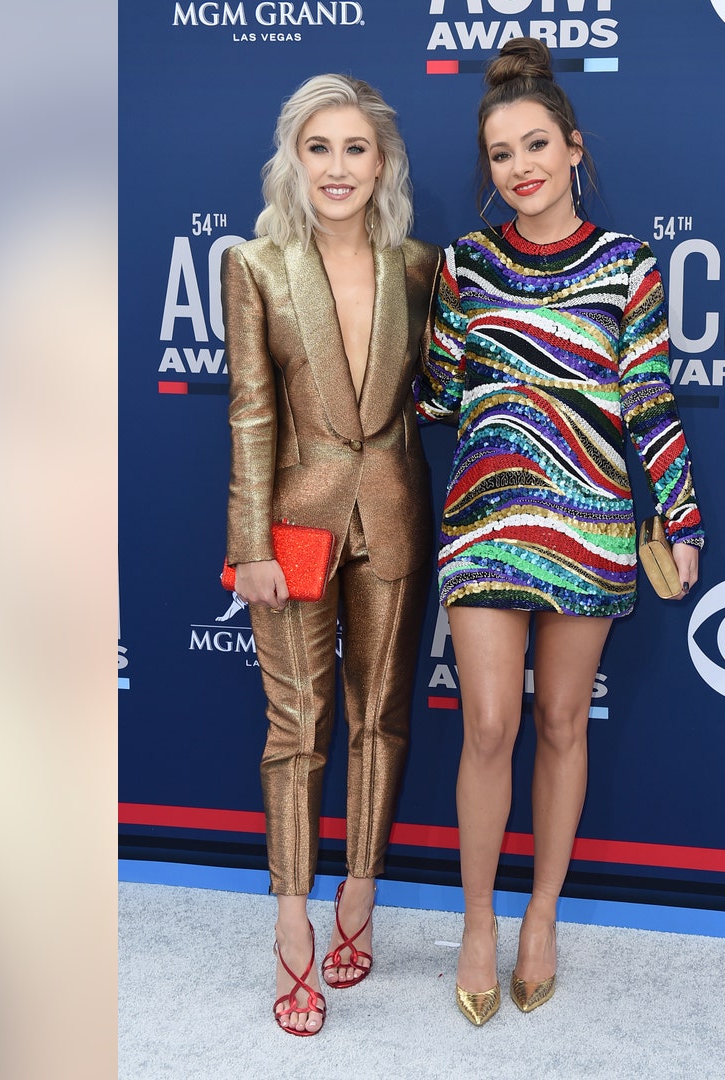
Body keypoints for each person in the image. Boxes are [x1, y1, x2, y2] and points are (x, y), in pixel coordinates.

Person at [416, 38, 705, 1026]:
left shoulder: (629, 267)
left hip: (590, 522)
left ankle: (541, 914)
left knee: (559, 724)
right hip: (487, 520)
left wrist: (682, 517)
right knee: (489, 723)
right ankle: (479, 922)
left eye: (537, 143)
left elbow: (652, 403)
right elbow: (440, 398)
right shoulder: (464, 265)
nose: (522, 165)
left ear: (575, 145)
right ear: (488, 170)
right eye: (501, 153)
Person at [221, 74, 439, 1037]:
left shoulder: (420, 266)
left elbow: (449, 386)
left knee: (380, 718)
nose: (338, 167)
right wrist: (250, 541)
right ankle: (293, 924)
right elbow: (252, 411)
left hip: (393, 512)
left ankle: (361, 892)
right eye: (320, 148)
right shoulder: (257, 265)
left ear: (381, 163)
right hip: (294, 526)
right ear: (293, 160)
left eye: (355, 148)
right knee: (297, 724)